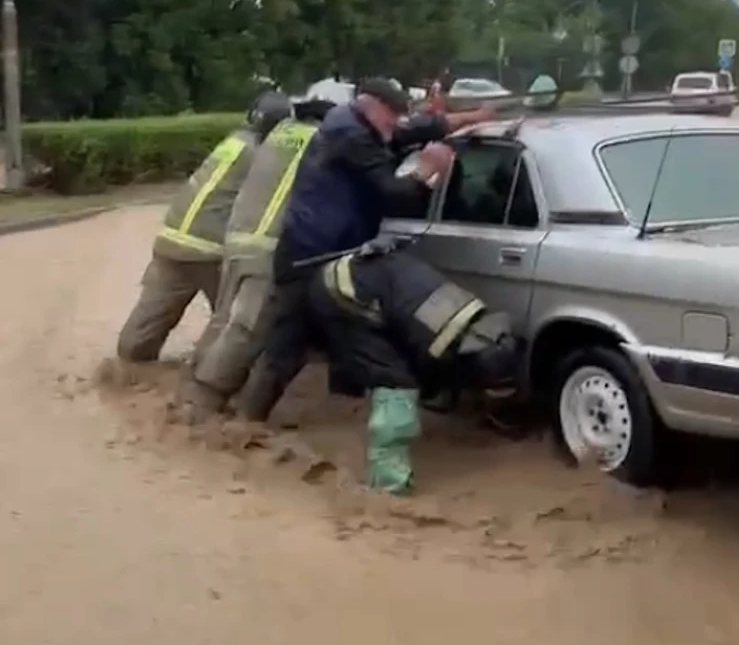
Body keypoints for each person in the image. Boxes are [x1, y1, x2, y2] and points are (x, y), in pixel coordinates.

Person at [238, 77, 500, 424]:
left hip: (337, 256)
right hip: (310, 256)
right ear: (369, 104)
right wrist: (427, 170)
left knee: (339, 337)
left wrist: (470, 117)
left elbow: (412, 129)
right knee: (289, 342)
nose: (398, 120)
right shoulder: (351, 135)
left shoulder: (364, 125)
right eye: (392, 113)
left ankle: (337, 407)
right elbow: (393, 193)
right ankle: (243, 423)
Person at [309, 235, 522, 493]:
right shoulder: (435, 334)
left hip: (375, 285)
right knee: (396, 384)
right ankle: (389, 487)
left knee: (404, 373)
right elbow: (424, 371)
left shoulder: (471, 317)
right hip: (342, 292)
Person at [181, 98, 335, 421]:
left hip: (237, 240)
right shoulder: (317, 141)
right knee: (249, 327)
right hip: (268, 246)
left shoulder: (277, 135)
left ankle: (189, 388)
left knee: (223, 319)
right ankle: (204, 403)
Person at [116, 91, 293, 363]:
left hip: (171, 241)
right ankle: (202, 377)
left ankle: (126, 369)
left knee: (144, 327)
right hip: (211, 250)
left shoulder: (233, 142)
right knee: (233, 324)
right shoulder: (262, 154)